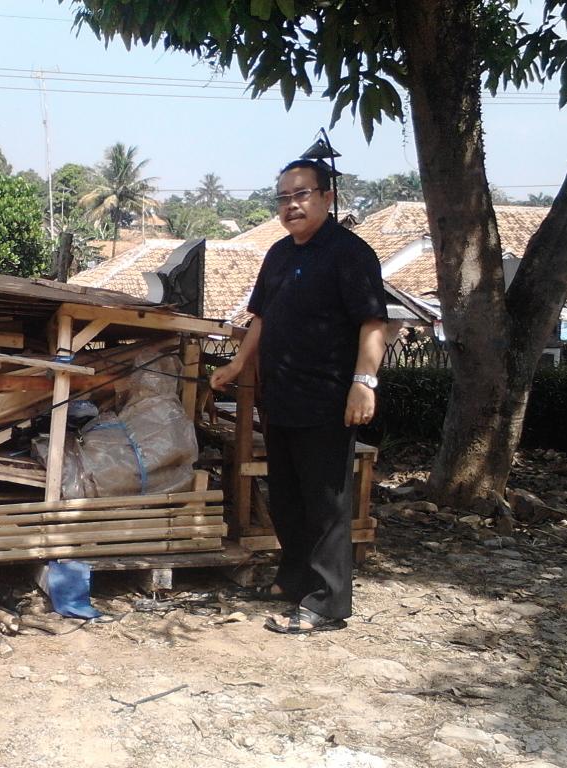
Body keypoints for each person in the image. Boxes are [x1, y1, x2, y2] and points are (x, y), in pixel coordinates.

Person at [210, 158, 387, 634]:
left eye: (301, 194)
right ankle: (293, 580)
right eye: (284, 197)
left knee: (326, 502)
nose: (291, 205)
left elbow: (374, 323)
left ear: (327, 197)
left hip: (329, 398)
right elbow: (261, 319)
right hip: (282, 397)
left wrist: (363, 382)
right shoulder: (279, 255)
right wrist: (236, 364)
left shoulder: (350, 253)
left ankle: (328, 603)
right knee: (286, 498)